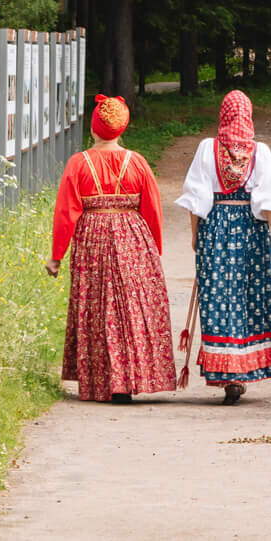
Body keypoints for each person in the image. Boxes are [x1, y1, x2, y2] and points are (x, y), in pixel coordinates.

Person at [47, 94, 178, 404]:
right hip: (132, 236)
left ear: (94, 128)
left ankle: (103, 378)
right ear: (122, 129)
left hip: (92, 236)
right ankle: (132, 376)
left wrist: (56, 255)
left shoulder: (79, 163)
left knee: (97, 306)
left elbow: (66, 213)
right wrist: (153, 248)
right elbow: (152, 209)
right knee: (131, 307)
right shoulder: (138, 162)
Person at [174, 90, 271, 401]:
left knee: (219, 296)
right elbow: (269, 203)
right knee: (248, 297)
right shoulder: (260, 152)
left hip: (216, 228)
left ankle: (228, 373)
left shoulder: (206, 149)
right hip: (251, 232)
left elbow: (197, 200)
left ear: (222, 115)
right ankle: (242, 371)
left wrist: (196, 235)